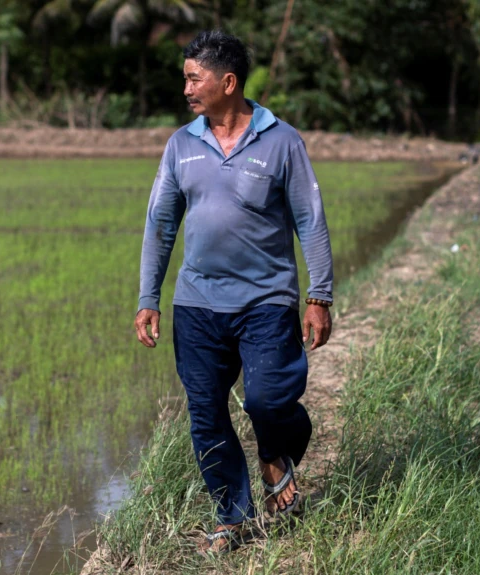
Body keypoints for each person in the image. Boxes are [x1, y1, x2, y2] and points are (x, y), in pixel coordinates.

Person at [133, 29, 334, 553]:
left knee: (269, 399)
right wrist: (148, 297)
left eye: (193, 78)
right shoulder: (181, 144)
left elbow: (310, 219)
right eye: (184, 79)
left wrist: (320, 296)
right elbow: (160, 223)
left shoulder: (282, 141)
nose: (186, 89)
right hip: (197, 305)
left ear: (227, 82)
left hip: (265, 300)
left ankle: (276, 454)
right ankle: (232, 516)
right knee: (206, 413)